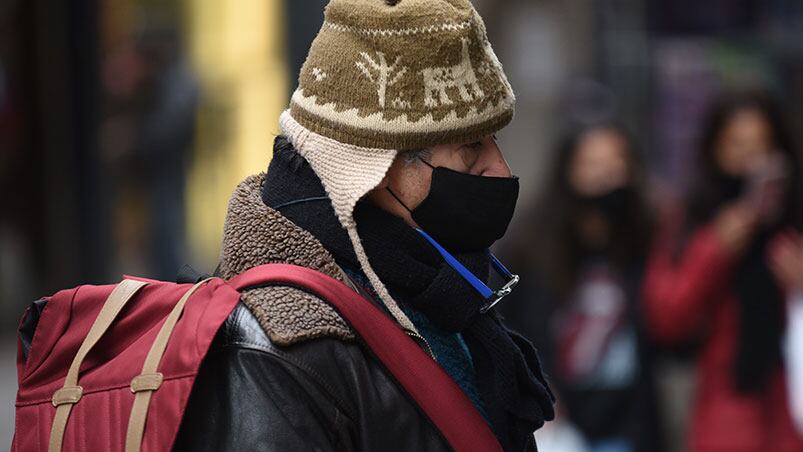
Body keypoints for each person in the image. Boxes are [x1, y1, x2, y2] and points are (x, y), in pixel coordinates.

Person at [172, 0, 554, 450]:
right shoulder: (276, 346)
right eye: (471, 148)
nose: (500, 169)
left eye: (496, 141)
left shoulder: (432, 288)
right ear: (374, 168)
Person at [642, 91, 803, 452]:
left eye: (763, 148)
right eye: (737, 147)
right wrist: (715, 250)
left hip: (790, 404)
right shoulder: (694, 218)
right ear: (714, 151)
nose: (752, 163)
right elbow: (666, 316)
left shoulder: (792, 224)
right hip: (727, 408)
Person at [500, 123, 661, 452]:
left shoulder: (649, 236)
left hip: (629, 422)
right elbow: (507, 324)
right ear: (568, 171)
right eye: (593, 165)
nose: (606, 176)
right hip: (557, 426)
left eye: (617, 164)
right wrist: (536, 391)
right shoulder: (531, 243)